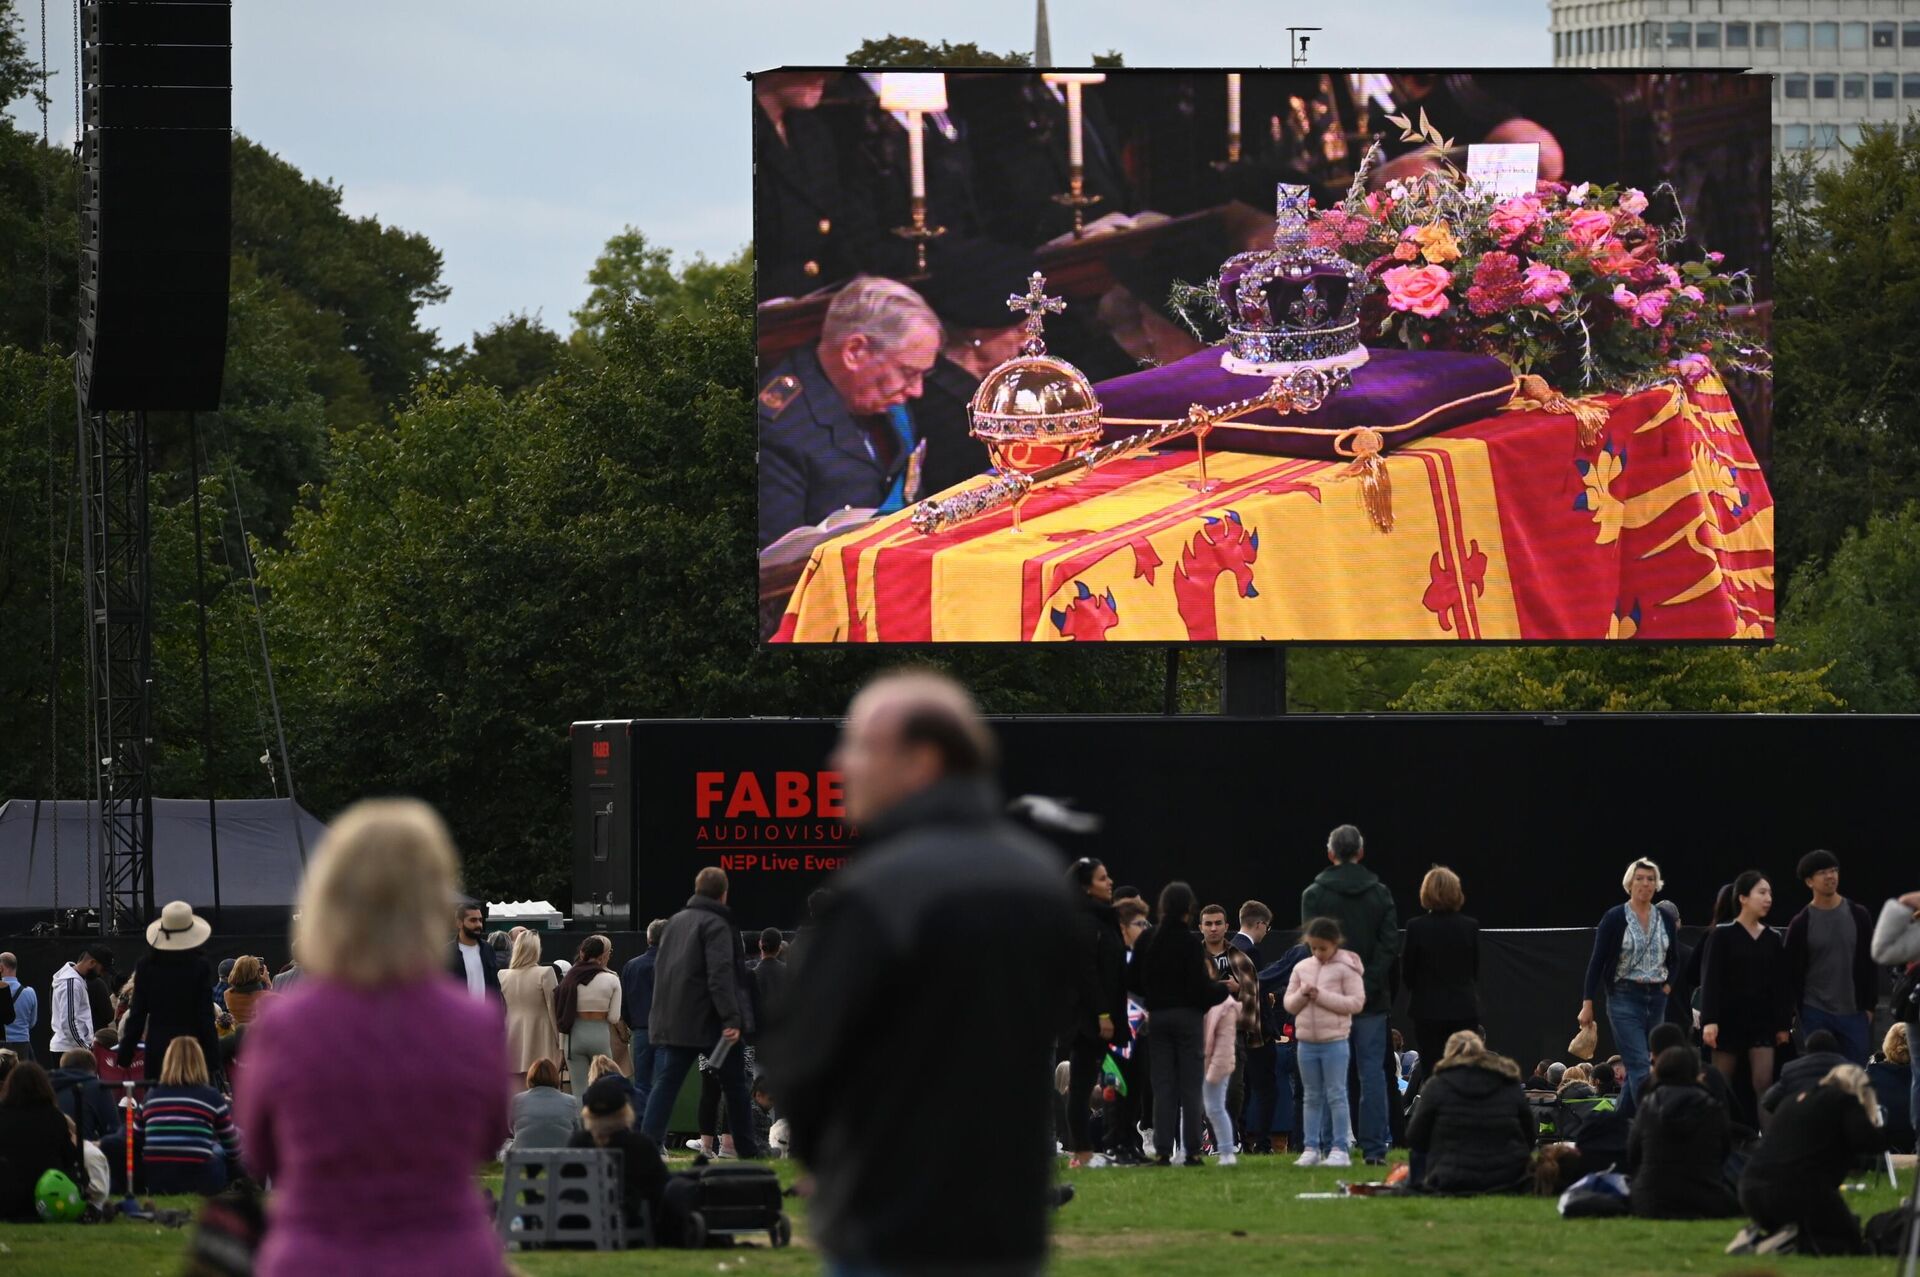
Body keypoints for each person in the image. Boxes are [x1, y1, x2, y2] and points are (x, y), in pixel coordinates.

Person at [761, 670, 1076, 1276]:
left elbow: (806, 1056)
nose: (839, 763)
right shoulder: (1040, 880)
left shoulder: (880, 890)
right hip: (1009, 1225)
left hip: (890, 1220)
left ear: (922, 759)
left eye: (860, 745)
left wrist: (832, 1157)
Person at [233, 799, 511, 1276]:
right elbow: (487, 1140)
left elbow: (258, 1149)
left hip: (317, 1254)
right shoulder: (474, 1022)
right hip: (447, 1253)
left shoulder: (285, 1024)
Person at [758, 275, 942, 548]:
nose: (917, 391)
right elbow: (775, 562)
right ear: (855, 352)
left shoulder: (884, 398)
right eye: (908, 373)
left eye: (923, 375)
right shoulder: (780, 430)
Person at [1300, 823, 1401, 1165]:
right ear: (1360, 852)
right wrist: (1366, 984)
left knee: (1331, 1076)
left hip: (1328, 1000)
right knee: (1372, 1074)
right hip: (1371, 1001)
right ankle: (1374, 1149)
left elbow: (1312, 950)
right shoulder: (1380, 894)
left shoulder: (1314, 895)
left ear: (1331, 854)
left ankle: (1331, 1146)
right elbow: (1390, 946)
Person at [641, 868, 758, 1156]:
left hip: (675, 1018)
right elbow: (720, 974)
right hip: (710, 1021)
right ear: (724, 893)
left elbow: (663, 971)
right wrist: (732, 1017)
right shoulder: (717, 923)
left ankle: (646, 1146)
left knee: (667, 1083)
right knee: (736, 1087)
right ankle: (746, 1150)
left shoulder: (675, 923)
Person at [911, 241, 1032, 497]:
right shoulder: (938, 407)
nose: (1026, 341)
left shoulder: (996, 382)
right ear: (980, 333)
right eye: (1020, 329)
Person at [1731, 1063, 1889, 1256]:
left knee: (1815, 1227)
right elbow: (1868, 1141)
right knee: (1849, 1239)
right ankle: (1782, 1245)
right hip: (1795, 1190)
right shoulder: (1845, 1101)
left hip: (1750, 1190)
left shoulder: (1792, 1101)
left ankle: (1762, 1238)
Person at [1134, 881, 1231, 1166]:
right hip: (1188, 1018)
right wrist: (1222, 990)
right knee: (1190, 1086)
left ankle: (1162, 1149)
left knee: (1162, 1085)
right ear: (1189, 910)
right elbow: (1201, 988)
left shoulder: (1147, 940)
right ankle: (1192, 1150)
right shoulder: (1190, 943)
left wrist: (1151, 998)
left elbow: (1131, 979)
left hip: (1158, 1019)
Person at [1577, 858, 1678, 1118]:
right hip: (1623, 996)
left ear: (1657, 884)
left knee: (1642, 1065)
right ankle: (1654, 1123)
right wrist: (1587, 1002)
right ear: (1629, 883)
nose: (1645, 883)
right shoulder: (1614, 917)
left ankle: (1620, 1124)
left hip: (1655, 996)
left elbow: (1674, 959)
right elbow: (1597, 961)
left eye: (1650, 879)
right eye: (1640, 878)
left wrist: (1667, 987)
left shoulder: (1665, 919)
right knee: (1639, 1062)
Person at [1700, 870, 1793, 1120]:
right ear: (1742, 897)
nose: (1768, 898)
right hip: (1727, 1022)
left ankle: (1769, 1148)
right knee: (1721, 1085)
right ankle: (1719, 1143)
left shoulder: (1772, 938)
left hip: (1762, 1024)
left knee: (1764, 1083)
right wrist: (1710, 1020)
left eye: (1770, 893)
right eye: (1761, 892)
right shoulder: (1722, 935)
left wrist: (1783, 1023)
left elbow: (1781, 986)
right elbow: (1711, 980)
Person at [1062, 856, 1129, 1169]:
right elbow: (1087, 973)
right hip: (1089, 1020)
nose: (1110, 882)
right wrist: (1102, 1014)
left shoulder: (1105, 918)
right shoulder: (1082, 921)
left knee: (1109, 1082)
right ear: (1087, 887)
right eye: (1103, 878)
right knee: (1080, 1086)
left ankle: (1117, 1145)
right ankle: (1082, 1152)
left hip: (1110, 1017)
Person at [1405, 1030, 1531, 1194]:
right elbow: (1529, 1132)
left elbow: (1415, 1137)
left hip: (1451, 1176)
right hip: (1509, 1177)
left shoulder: (1437, 1084)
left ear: (1448, 1053)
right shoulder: (1509, 1082)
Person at [1783, 850, 1877, 1066]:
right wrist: (1796, 1012)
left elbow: (1869, 963)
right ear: (1809, 881)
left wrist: (1869, 1007)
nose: (1830, 876)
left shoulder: (1858, 915)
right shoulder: (1801, 923)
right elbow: (1791, 972)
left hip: (1854, 1010)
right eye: (1823, 872)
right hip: (1815, 1010)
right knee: (1821, 1073)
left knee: (1854, 1075)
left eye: (1834, 871)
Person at [1285, 917, 1365, 1169]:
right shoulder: (1302, 968)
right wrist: (1302, 995)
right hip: (1306, 1042)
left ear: (1334, 944)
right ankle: (1311, 1147)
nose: (1318, 953)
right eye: (1313, 948)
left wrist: (1322, 997)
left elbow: (1355, 1003)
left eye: (1323, 948)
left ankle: (1339, 1148)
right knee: (1311, 1096)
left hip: (1335, 1041)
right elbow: (1289, 1003)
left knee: (1337, 1094)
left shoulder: (1347, 967)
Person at [1626, 1045, 1741, 1219]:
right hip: (1705, 1198)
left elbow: (1633, 1153)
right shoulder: (1711, 1107)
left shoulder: (1648, 1106)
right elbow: (1725, 1152)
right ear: (1696, 1072)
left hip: (1652, 1201)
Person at [116, 903, 222, 1089]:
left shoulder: (146, 966)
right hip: (193, 1049)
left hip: (158, 1048)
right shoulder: (200, 966)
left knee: (159, 1103)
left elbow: (137, 1015)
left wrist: (125, 1054)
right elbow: (205, 1016)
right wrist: (213, 1060)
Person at [568, 1075, 682, 1244]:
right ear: (625, 1111)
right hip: (631, 1224)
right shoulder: (641, 1146)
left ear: (587, 1112)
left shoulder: (577, 1144)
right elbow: (662, 1190)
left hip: (579, 1225)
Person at [1402, 866, 1480, 1095]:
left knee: (1431, 1071)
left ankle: (1435, 1123)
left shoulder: (1415, 927)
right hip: (1463, 1009)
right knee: (1463, 1070)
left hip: (1427, 1011)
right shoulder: (1470, 926)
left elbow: (1408, 973)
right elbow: (1474, 971)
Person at [134, 1037, 239, 1194]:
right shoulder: (211, 1096)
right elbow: (232, 1147)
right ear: (200, 1062)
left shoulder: (152, 1095)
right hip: (200, 1176)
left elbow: (136, 1139)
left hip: (157, 1178)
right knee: (232, 1147)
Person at [0, 1062, 84, 1221]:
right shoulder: (55, 1117)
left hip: (7, 1198)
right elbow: (71, 1158)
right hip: (48, 1196)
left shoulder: (3, 1116)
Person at [1204, 949, 1260, 1166]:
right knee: (1200, 1101)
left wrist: (1240, 989)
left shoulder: (1239, 957)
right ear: (1200, 926)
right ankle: (1204, 1146)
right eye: (1208, 923)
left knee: (1231, 1094)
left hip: (1229, 1046)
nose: (1213, 928)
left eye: (1218, 923)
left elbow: (1252, 995)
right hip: (1199, 1050)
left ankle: (1228, 1145)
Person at [1231, 902, 1277, 1153]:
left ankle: (1240, 1141)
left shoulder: (1228, 949)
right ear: (1260, 924)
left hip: (1233, 1031)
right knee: (1265, 1090)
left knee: (1241, 1090)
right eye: (1266, 928)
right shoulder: (1251, 951)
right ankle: (1263, 1142)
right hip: (1256, 1033)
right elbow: (1254, 994)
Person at [555, 937, 621, 1097]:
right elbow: (614, 1018)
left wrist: (562, 1048)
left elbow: (562, 1014)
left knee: (579, 1092)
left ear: (582, 953)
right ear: (602, 956)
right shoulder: (612, 979)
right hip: (600, 1037)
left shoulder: (570, 978)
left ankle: (581, 1122)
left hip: (574, 1039)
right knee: (606, 1089)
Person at [499, 930, 561, 1093]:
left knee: (515, 1086)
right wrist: (559, 1039)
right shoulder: (545, 973)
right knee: (545, 1082)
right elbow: (553, 1007)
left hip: (513, 1031)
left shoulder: (503, 975)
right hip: (542, 1031)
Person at [619, 919, 666, 1113]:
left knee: (641, 1086)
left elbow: (625, 1004)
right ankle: (658, 1138)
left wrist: (633, 1024)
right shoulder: (674, 965)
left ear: (648, 938)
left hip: (641, 1031)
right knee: (663, 1087)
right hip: (666, 1032)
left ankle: (642, 1131)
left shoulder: (631, 966)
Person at [1757, 1028, 1851, 1125]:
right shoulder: (1851, 1071)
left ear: (1808, 1050)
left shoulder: (1791, 1070)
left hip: (1800, 1131)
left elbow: (1768, 1102)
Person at [48, 1048, 121, 1144]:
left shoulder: (46, 1086)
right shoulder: (98, 1087)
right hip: (81, 1152)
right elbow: (112, 1129)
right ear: (93, 1069)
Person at [507, 1058, 578, 1152]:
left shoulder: (517, 1100)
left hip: (523, 1155)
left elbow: (511, 1128)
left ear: (531, 1076)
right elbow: (576, 1130)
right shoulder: (571, 1101)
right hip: (561, 1155)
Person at [48, 947, 104, 1057]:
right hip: (70, 1050)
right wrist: (86, 1049)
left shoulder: (74, 980)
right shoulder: (72, 982)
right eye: (102, 969)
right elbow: (69, 1022)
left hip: (70, 1048)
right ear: (92, 962)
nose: (101, 974)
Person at [448, 902, 500, 1001]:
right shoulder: (448, 953)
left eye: (480, 920)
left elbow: (495, 987)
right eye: (473, 920)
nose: (478, 925)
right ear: (459, 923)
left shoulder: (488, 949)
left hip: (486, 1014)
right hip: (459, 1014)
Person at [0, 953, 36, 1064]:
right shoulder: (30, 992)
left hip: (1, 1044)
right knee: (21, 1079)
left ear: (1, 968)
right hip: (22, 1045)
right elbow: (32, 1022)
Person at [221, 955, 274, 1026]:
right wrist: (268, 981)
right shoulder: (267, 997)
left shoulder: (227, 994)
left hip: (241, 1034)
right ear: (256, 973)